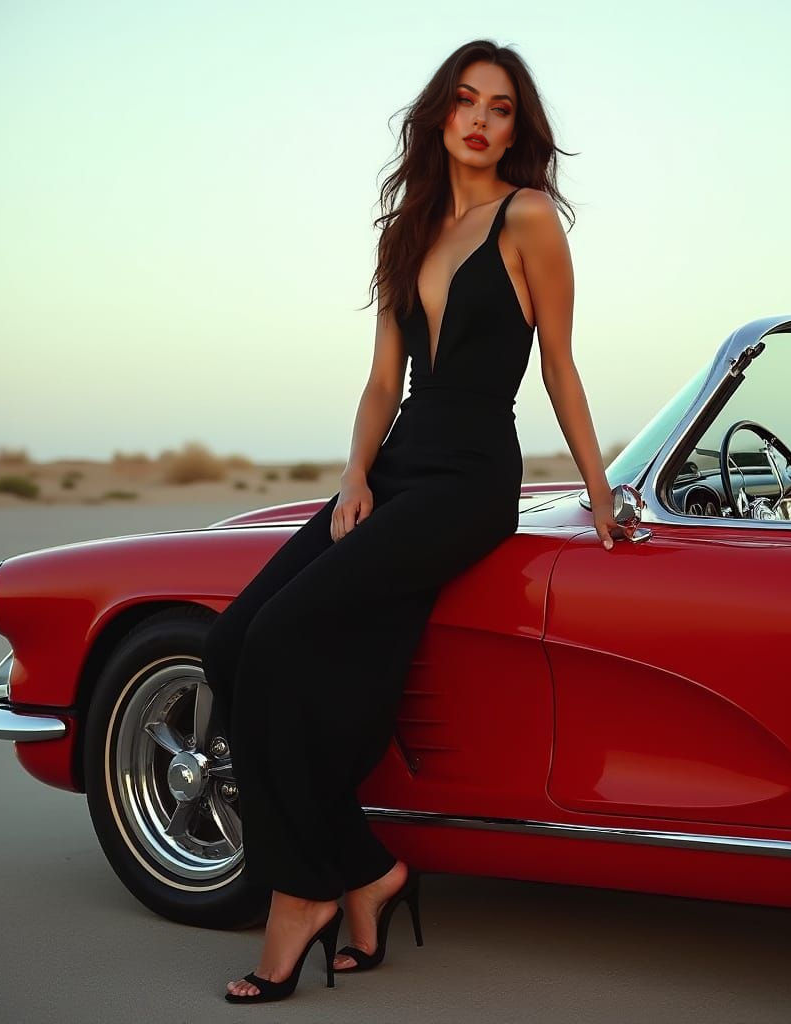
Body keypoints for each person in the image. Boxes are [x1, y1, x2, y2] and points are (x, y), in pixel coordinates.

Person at [205, 38, 621, 1005]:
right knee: (232, 645)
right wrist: (354, 474)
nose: (480, 119)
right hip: (394, 469)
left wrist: (601, 497)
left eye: (502, 107)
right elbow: (381, 382)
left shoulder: (529, 220)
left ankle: (300, 891)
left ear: (519, 129)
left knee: (282, 640)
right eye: (466, 101)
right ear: (439, 114)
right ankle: (366, 870)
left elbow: (560, 367)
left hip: (472, 477)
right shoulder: (407, 228)